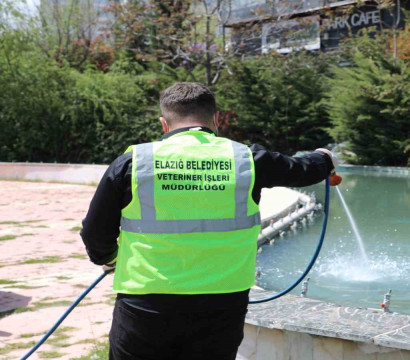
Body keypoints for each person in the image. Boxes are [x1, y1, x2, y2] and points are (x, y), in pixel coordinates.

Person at [80, 82, 338, 360]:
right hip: (222, 304)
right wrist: (324, 158)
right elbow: (301, 169)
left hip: (147, 303)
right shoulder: (246, 159)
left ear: (164, 124)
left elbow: (95, 231)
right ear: (216, 119)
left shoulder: (135, 162)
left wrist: (108, 258)